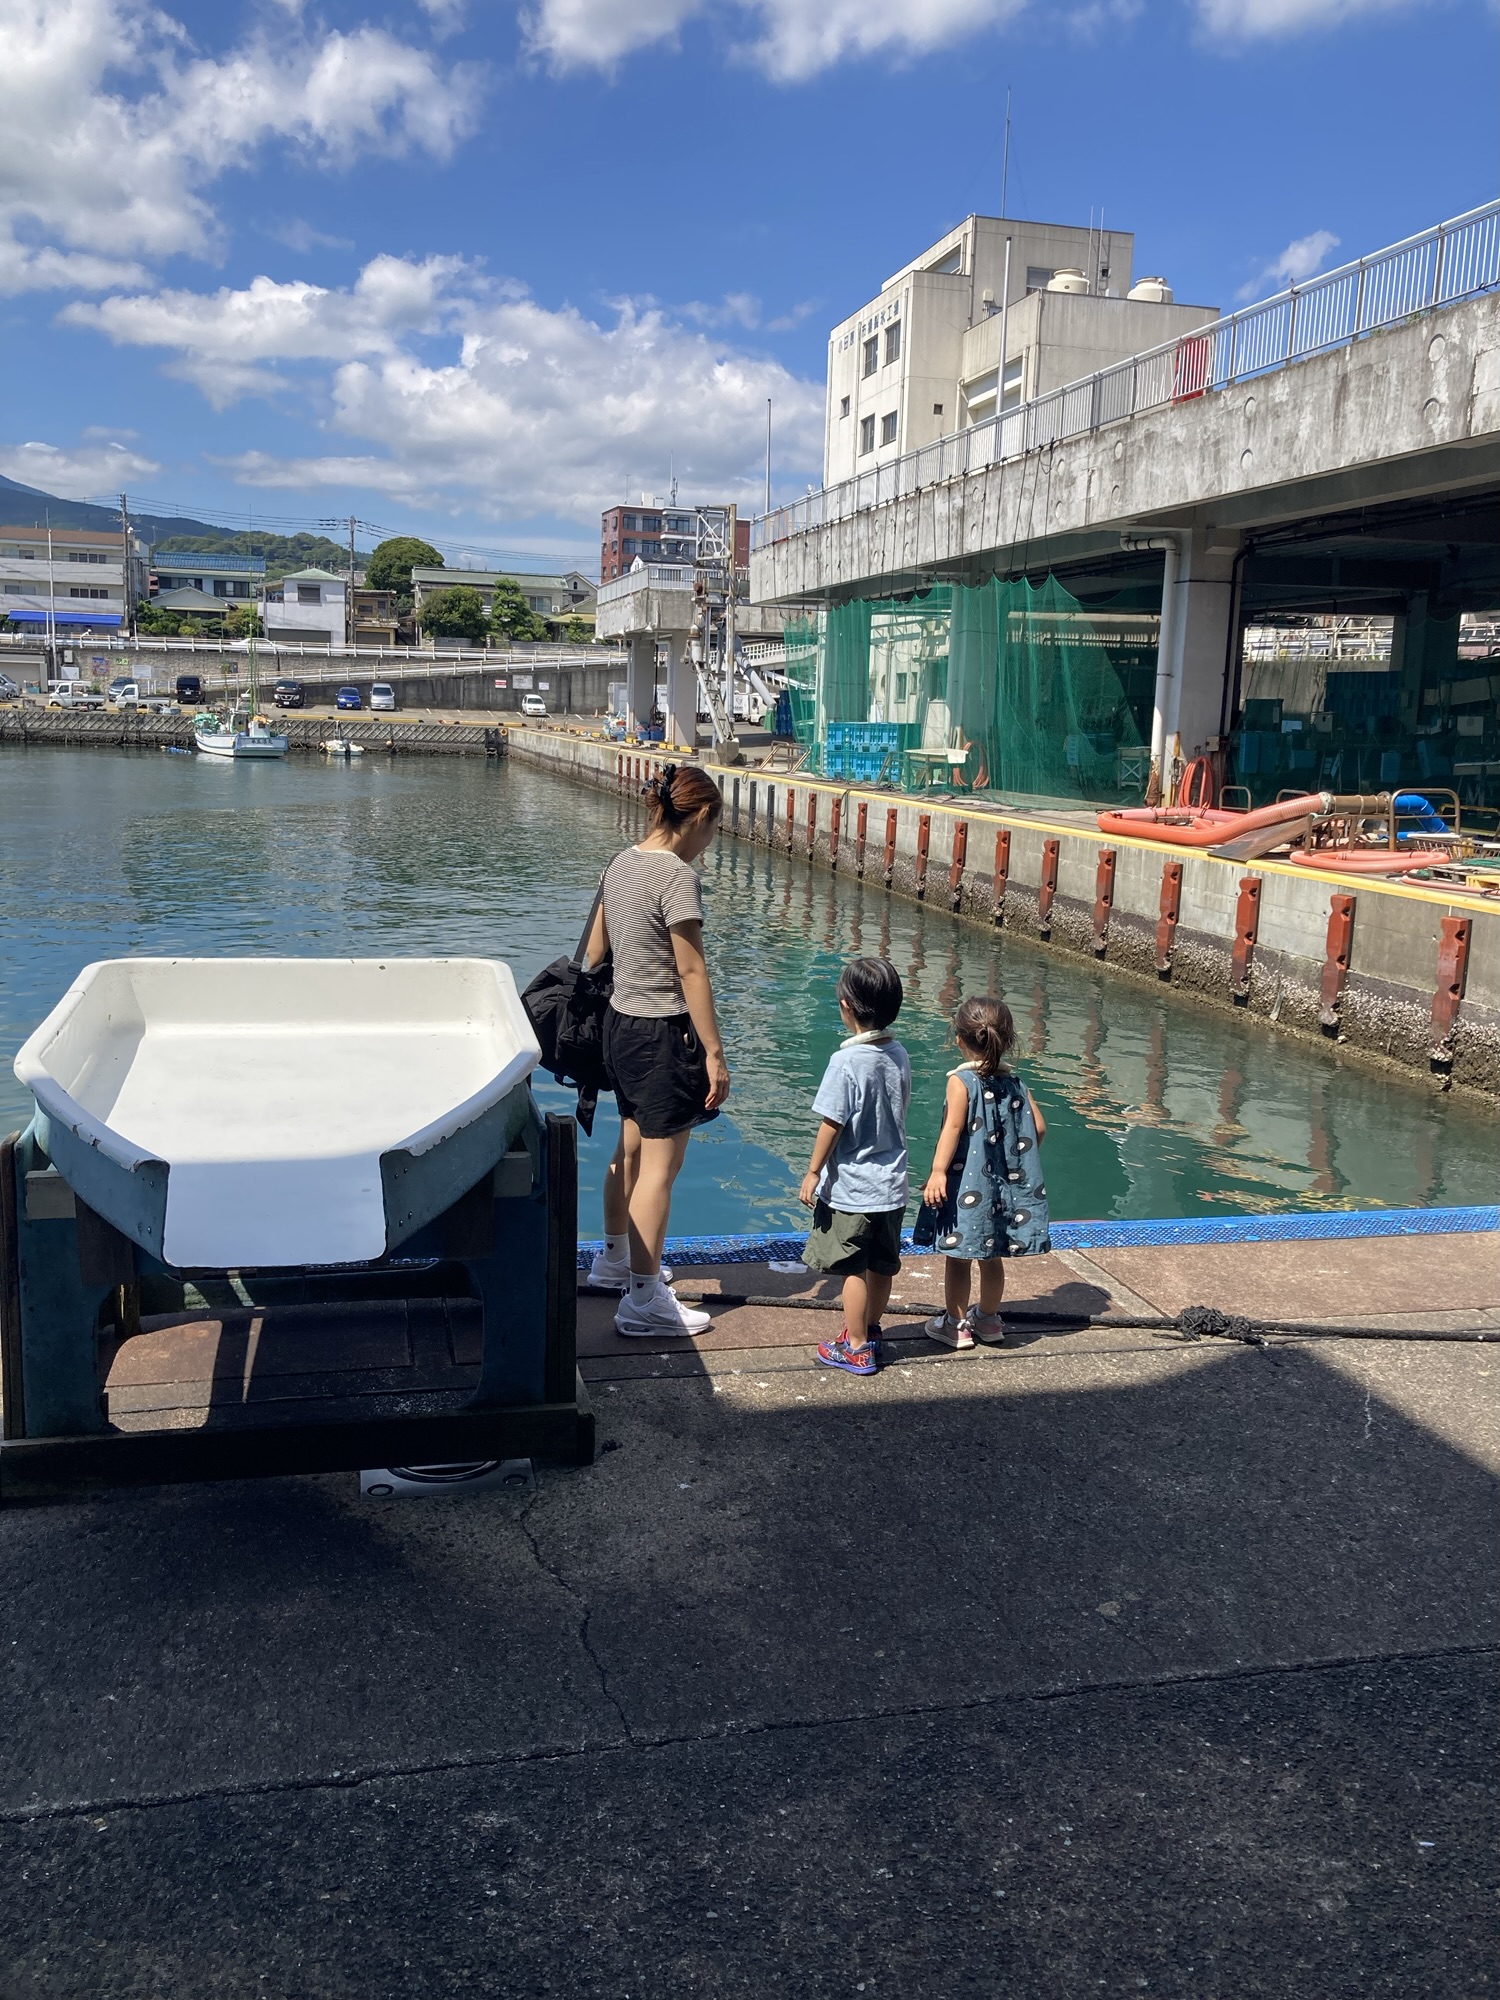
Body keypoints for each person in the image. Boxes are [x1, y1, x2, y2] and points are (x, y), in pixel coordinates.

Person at [584, 764, 730, 1336]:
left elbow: (595, 952)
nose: (710, 840)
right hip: (662, 1033)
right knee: (659, 1171)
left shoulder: (620, 861)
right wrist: (714, 1053)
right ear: (700, 817)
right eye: (713, 827)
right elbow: (691, 971)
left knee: (628, 1152)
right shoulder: (676, 875)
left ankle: (614, 1260)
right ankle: (643, 1300)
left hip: (619, 1027)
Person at [798, 958, 910, 1378]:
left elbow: (832, 1123)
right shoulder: (899, 1054)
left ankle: (857, 1347)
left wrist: (813, 1171)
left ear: (846, 1006)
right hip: (893, 1183)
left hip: (853, 1188)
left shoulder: (845, 1062)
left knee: (852, 1268)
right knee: (882, 1264)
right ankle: (872, 1328)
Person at [919, 995, 1050, 1350]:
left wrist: (938, 1171)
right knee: (992, 1256)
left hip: (967, 1185)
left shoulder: (961, 1082)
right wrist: (1013, 1160)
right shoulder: (1017, 1083)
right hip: (1002, 1187)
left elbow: (952, 1128)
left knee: (958, 1256)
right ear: (1007, 1040)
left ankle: (955, 1325)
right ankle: (989, 1319)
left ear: (959, 1039)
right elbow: (1038, 1129)